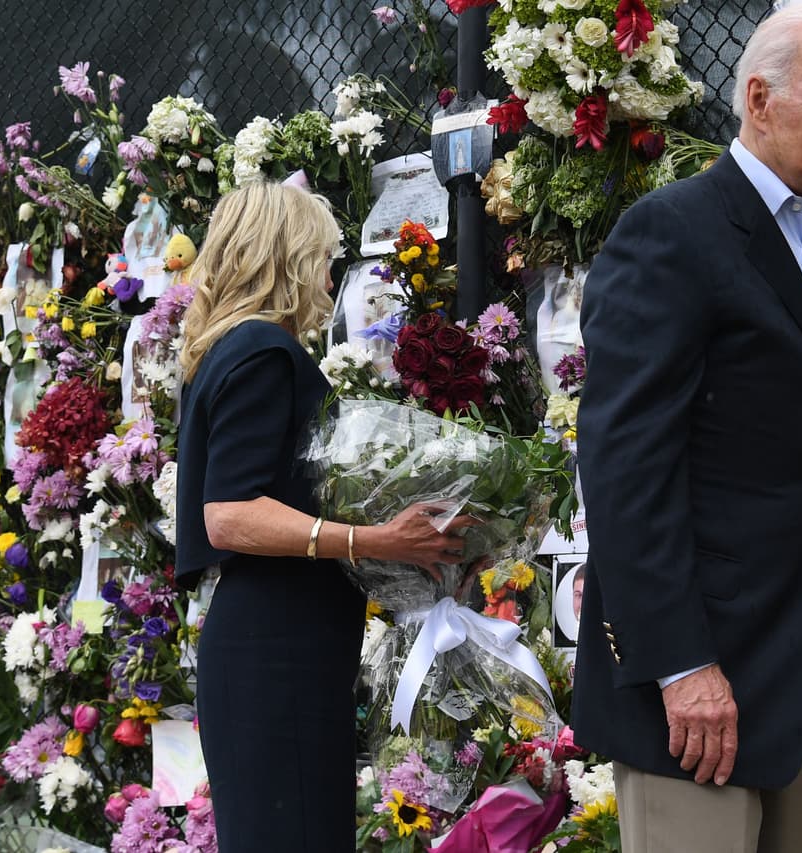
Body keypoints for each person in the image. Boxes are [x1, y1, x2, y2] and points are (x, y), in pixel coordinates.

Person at [573, 6, 802, 851]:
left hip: (793, 679)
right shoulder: (672, 232)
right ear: (759, 97)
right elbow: (626, 466)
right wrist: (680, 664)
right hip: (697, 696)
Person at [175, 182, 474, 851]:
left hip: (267, 647)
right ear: (286, 257)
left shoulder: (226, 350)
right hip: (279, 655)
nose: (331, 273)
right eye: (321, 254)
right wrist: (379, 539)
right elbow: (229, 514)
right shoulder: (260, 351)